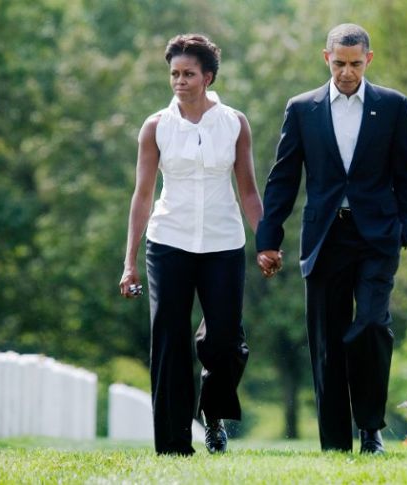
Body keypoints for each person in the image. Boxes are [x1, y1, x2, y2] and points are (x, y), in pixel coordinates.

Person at [256, 23, 407, 454]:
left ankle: (370, 428)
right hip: (324, 237)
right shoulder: (302, 108)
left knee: (370, 325)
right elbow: (283, 179)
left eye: (354, 63)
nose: (346, 72)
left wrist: (403, 229)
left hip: (376, 238)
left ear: (369, 59)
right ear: (325, 58)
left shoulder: (392, 106)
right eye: (338, 63)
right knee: (327, 342)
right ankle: (334, 444)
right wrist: (267, 240)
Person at [119, 33, 263, 456]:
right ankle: (174, 444)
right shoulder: (155, 127)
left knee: (223, 341)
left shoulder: (235, 123)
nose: (179, 81)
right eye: (174, 74)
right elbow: (142, 196)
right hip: (169, 241)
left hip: (223, 242)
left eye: (188, 74)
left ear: (208, 77)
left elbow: (249, 192)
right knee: (168, 338)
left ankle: (213, 415)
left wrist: (266, 242)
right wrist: (129, 262)